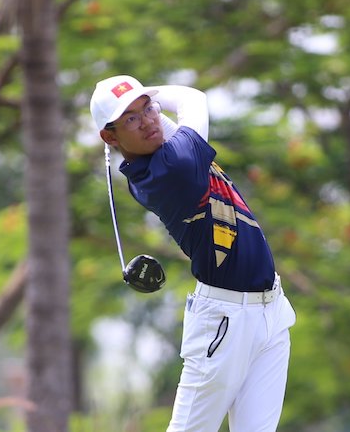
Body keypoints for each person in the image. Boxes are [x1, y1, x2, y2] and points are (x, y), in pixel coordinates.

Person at [90, 75, 297, 431]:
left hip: (272, 311)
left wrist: (143, 99)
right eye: (130, 119)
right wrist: (152, 92)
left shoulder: (162, 152)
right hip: (224, 322)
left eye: (148, 110)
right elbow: (193, 99)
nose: (148, 121)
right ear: (110, 137)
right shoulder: (172, 169)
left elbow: (167, 121)